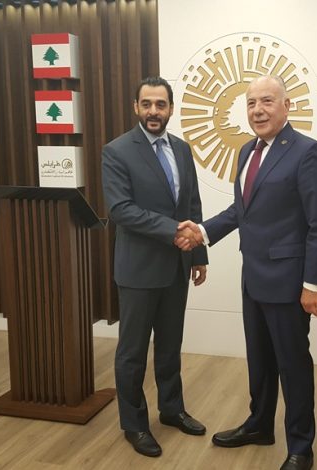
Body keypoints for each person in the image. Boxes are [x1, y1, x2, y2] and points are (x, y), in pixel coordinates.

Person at [177, 75, 317, 470]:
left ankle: (300, 447)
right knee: (260, 361)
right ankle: (260, 425)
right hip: (254, 278)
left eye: (267, 101)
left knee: (293, 366)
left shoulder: (308, 153)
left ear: (287, 106)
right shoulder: (247, 150)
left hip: (289, 283)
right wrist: (202, 232)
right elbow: (240, 210)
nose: (258, 110)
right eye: (251, 103)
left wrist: (313, 285)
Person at [101, 76, 208, 458]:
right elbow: (121, 209)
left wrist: (198, 255)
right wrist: (173, 231)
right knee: (132, 353)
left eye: (160, 104)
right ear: (136, 107)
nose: (153, 111)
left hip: (177, 267)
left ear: (170, 109)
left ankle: (172, 409)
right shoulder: (116, 151)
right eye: (146, 104)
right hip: (138, 271)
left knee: (170, 346)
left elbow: (191, 204)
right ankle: (134, 424)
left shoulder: (181, 149)